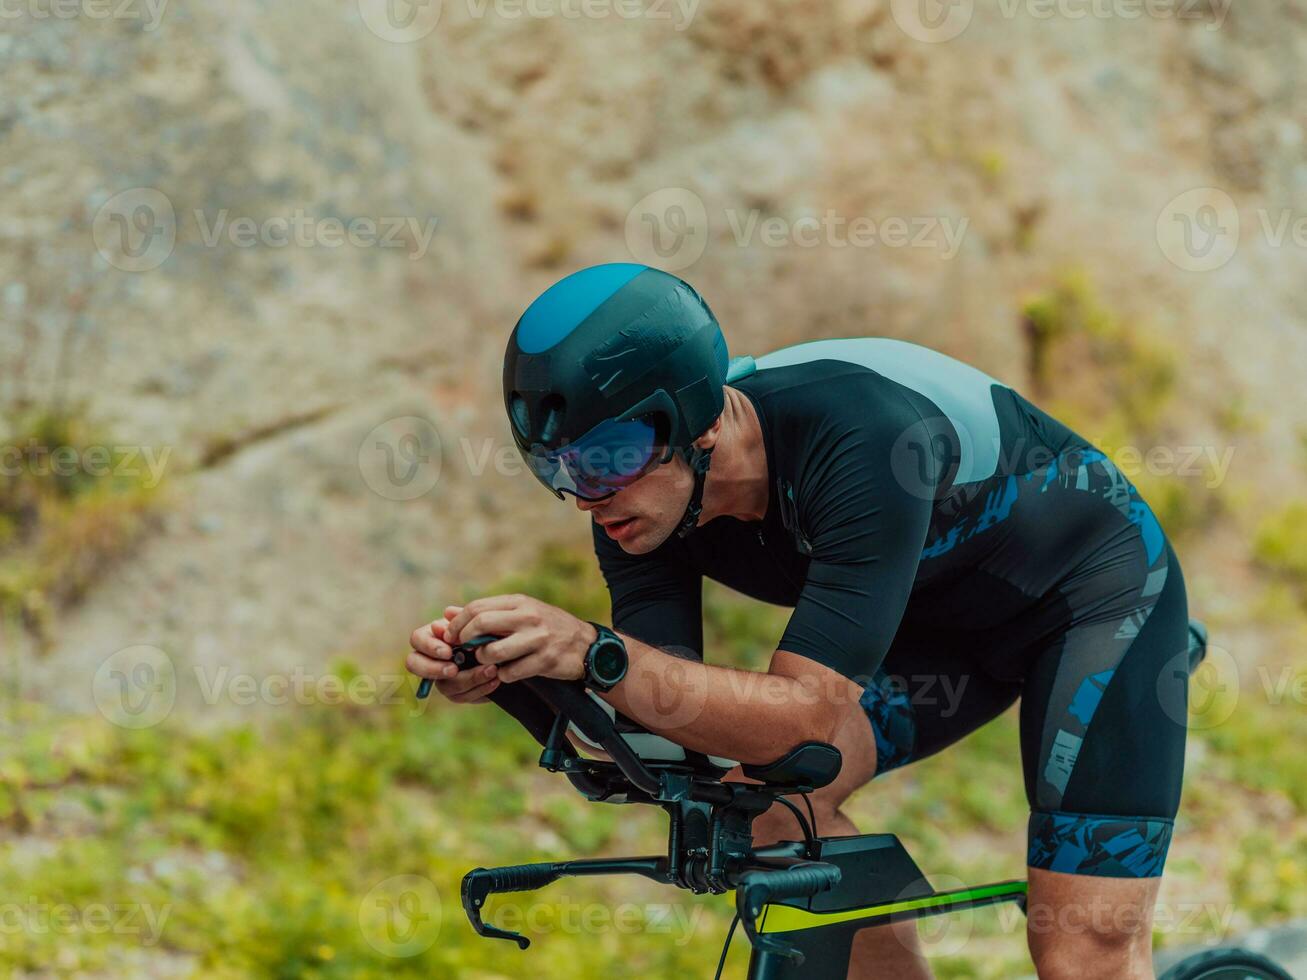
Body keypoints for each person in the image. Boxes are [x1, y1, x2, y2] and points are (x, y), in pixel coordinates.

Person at [407, 263, 1195, 980]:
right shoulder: (636, 508)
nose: (583, 494)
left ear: (701, 421)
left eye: (605, 458)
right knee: (767, 817)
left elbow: (807, 723)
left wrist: (595, 652)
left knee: (1080, 951)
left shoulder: (859, 438)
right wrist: (528, 680)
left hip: (1091, 603)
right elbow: (669, 733)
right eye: (555, 466)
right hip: (928, 624)